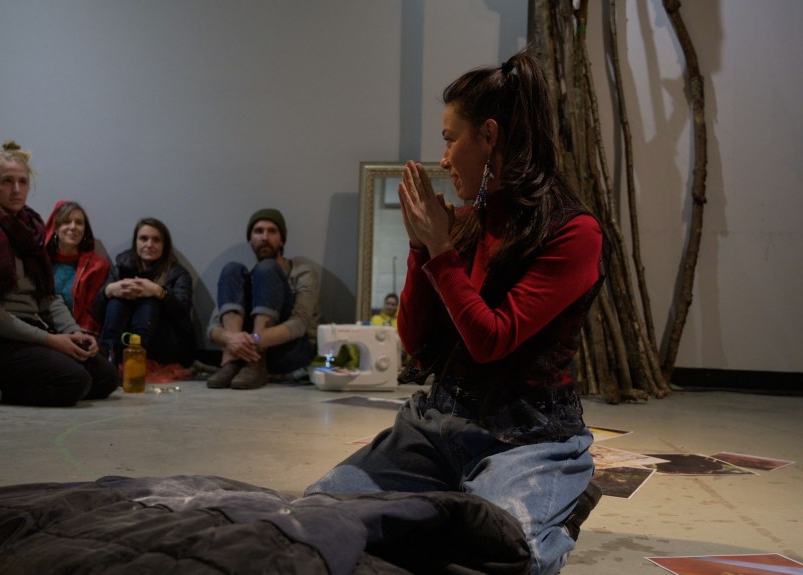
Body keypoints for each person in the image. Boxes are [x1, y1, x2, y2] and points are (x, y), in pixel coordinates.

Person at [305, 50, 608, 575]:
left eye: (450, 139)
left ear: (488, 137)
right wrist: (422, 248)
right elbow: (417, 345)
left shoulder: (574, 232)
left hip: (527, 438)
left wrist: (441, 253)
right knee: (318, 517)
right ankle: (455, 507)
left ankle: (558, 503)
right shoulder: (465, 224)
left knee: (501, 556)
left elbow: (492, 339)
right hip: (435, 425)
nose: (443, 159)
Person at [0, 141, 119, 407]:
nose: (16, 189)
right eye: (7, 181)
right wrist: (50, 340)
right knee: (74, 381)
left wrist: (73, 332)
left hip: (25, 331)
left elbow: (47, 296)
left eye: (22, 182)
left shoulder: (29, 232)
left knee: (107, 377)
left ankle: (15, 375)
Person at [206, 209, 320, 390]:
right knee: (231, 269)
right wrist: (232, 340)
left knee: (267, 268)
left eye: (272, 231)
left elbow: (300, 324)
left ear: (282, 240)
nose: (265, 237)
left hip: (289, 352)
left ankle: (252, 360)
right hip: (242, 353)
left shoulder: (302, 272)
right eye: (258, 231)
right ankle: (233, 363)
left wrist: (254, 341)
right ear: (250, 240)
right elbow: (213, 328)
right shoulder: (242, 278)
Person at [94, 218, 196, 367]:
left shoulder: (177, 273)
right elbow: (97, 313)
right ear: (135, 242)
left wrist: (159, 292)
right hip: (122, 339)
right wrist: (108, 291)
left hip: (163, 342)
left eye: (156, 240)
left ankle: (137, 358)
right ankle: (110, 357)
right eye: (143, 239)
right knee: (117, 300)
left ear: (164, 245)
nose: (149, 245)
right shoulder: (121, 268)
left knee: (149, 300)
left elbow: (183, 314)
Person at [44, 200, 110, 335]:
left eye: (79, 222)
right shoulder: (41, 262)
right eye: (66, 221)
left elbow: (91, 314)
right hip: (41, 331)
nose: (73, 227)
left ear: (85, 229)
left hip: (77, 334)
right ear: (55, 228)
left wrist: (79, 336)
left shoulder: (97, 266)